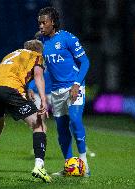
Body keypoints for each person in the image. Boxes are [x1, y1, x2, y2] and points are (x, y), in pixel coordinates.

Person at [0, 39, 52, 183]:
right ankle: (39, 166)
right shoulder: (36, 56)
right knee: (38, 124)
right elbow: (39, 76)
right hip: (10, 90)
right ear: (39, 51)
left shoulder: (10, 56)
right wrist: (43, 100)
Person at [37, 7, 91, 176]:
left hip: (73, 87)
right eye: (39, 23)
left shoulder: (68, 38)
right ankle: (69, 167)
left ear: (53, 22)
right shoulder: (41, 42)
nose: (41, 25)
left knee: (75, 120)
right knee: (61, 130)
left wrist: (76, 84)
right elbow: (40, 69)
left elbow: (85, 62)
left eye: (44, 22)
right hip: (56, 91)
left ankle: (84, 164)